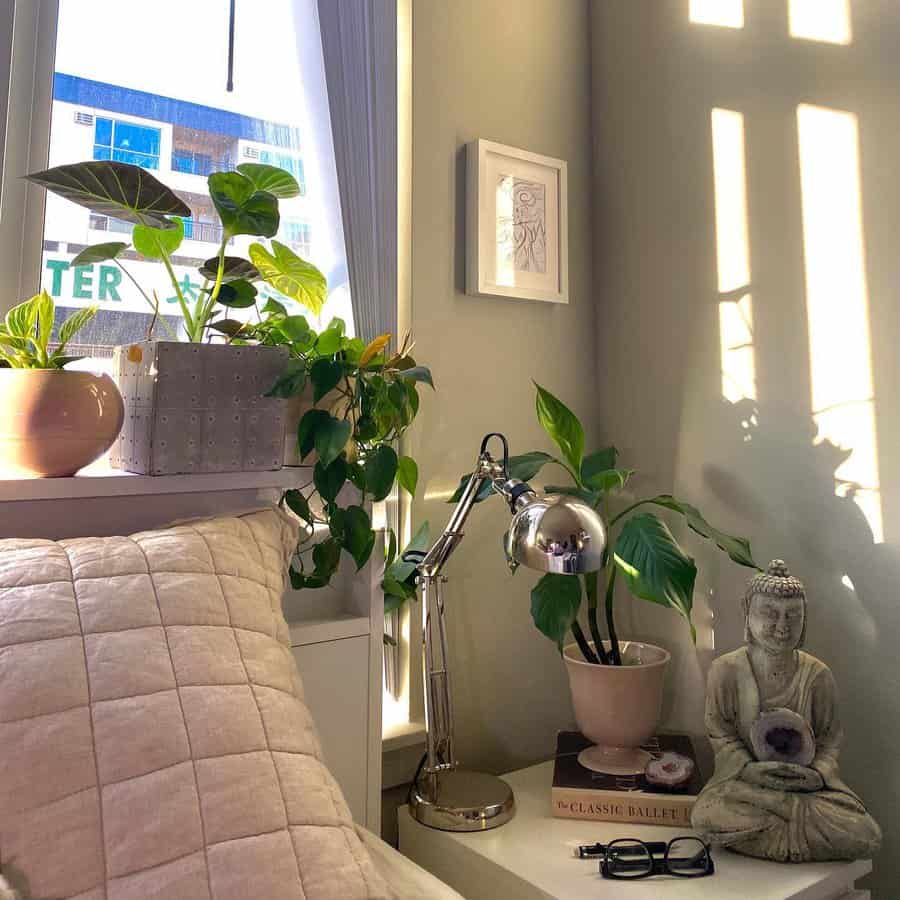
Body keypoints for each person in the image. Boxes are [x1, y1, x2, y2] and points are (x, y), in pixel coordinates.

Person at [691, 561, 881, 862]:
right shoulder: (725, 670)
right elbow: (721, 734)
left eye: (793, 616)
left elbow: (830, 739)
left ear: (804, 620)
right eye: (769, 613)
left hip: (808, 789)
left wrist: (818, 773)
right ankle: (791, 825)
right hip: (749, 786)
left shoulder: (817, 674)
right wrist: (747, 768)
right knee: (706, 815)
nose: (782, 627)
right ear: (747, 612)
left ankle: (778, 825)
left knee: (866, 833)